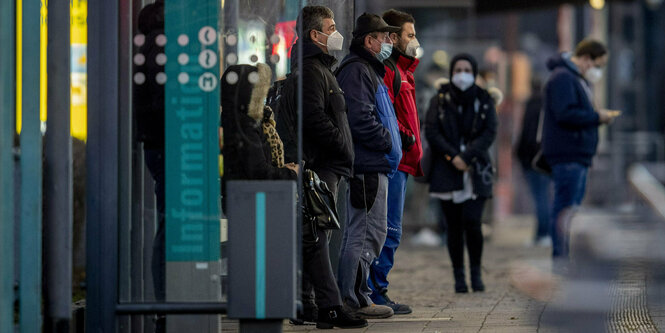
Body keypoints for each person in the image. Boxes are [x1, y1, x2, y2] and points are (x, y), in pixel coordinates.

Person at [285, 6, 366, 329]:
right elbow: (314, 118)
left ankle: (307, 303)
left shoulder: (321, 68)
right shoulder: (310, 70)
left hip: (329, 164)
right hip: (323, 166)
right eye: (330, 28)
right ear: (315, 35)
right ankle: (330, 305)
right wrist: (342, 145)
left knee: (316, 236)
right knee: (318, 237)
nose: (336, 33)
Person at [335, 12, 402, 319]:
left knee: (365, 233)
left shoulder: (367, 69)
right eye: (384, 36)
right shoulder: (358, 70)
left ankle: (355, 295)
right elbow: (360, 118)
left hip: (374, 165)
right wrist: (387, 142)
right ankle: (354, 298)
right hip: (368, 165)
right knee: (365, 234)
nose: (389, 41)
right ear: (369, 40)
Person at [426, 53, 498, 293]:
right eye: (458, 70)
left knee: (473, 221)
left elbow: (489, 132)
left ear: (474, 72)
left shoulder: (485, 99)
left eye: (467, 69)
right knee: (453, 226)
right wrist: (453, 157)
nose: (462, 74)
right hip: (447, 170)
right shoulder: (440, 99)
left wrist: (467, 157)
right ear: (451, 72)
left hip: (476, 169)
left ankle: (476, 272)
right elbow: (432, 131)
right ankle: (459, 276)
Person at [542, 39, 616, 264]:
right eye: (598, 64)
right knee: (565, 208)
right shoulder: (563, 78)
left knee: (570, 208)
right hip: (568, 153)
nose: (598, 71)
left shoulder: (573, 78)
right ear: (586, 59)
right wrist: (597, 117)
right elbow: (565, 114)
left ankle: (565, 257)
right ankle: (561, 258)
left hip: (577, 154)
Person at [367, 9, 421, 315]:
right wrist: (405, 138)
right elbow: (383, 113)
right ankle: (376, 290)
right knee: (388, 229)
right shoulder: (389, 71)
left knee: (391, 229)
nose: (414, 40)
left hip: (403, 161)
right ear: (394, 37)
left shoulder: (404, 71)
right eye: (409, 35)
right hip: (395, 162)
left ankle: (377, 288)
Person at [133, 2, 166, 331]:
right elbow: (164, 99)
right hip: (168, 144)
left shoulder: (154, 41)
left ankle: (168, 303)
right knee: (170, 222)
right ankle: (165, 305)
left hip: (161, 143)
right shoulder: (161, 43)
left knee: (170, 220)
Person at [516, 79, 552, 247]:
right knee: (544, 197)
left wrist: (520, 155)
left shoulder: (532, 105)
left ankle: (543, 233)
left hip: (532, 160)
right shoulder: (548, 106)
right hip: (544, 159)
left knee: (540, 198)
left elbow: (526, 135)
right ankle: (543, 233)